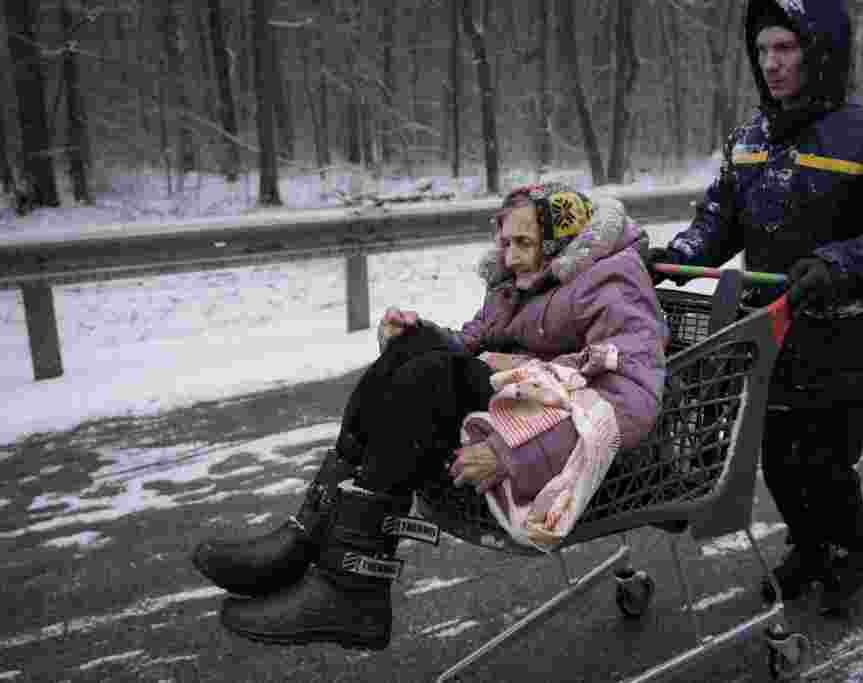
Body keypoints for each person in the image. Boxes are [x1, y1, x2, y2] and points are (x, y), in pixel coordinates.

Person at [192, 182, 669, 648]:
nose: (510, 257)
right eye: (505, 243)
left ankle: (353, 589)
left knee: (431, 374)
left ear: (559, 241)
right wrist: (419, 336)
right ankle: (309, 538)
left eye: (524, 243)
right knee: (415, 348)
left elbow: (629, 400)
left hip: (566, 443)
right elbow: (474, 343)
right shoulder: (520, 281)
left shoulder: (612, 282)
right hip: (518, 404)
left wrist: (511, 452)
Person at [647, 0, 863, 615]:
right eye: (762, 50)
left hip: (845, 335)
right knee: (779, 459)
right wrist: (679, 256)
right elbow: (718, 220)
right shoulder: (750, 140)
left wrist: (839, 264)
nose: (771, 63)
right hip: (768, 332)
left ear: (820, 51)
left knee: (827, 461)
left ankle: (849, 552)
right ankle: (807, 548)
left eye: (785, 48)